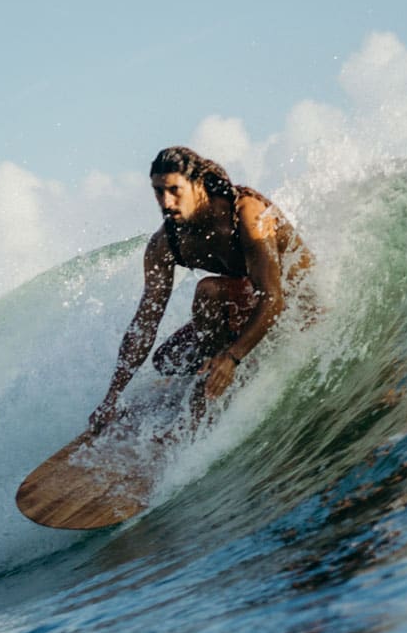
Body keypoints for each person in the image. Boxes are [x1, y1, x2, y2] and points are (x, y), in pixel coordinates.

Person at [89, 146, 312, 431]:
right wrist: (112, 397)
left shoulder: (247, 214)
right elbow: (145, 322)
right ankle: (212, 373)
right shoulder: (165, 244)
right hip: (248, 303)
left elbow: (273, 298)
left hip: (296, 301)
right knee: (168, 360)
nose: (166, 202)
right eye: (159, 191)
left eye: (174, 190)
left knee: (208, 291)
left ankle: (219, 375)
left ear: (198, 184)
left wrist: (232, 357)